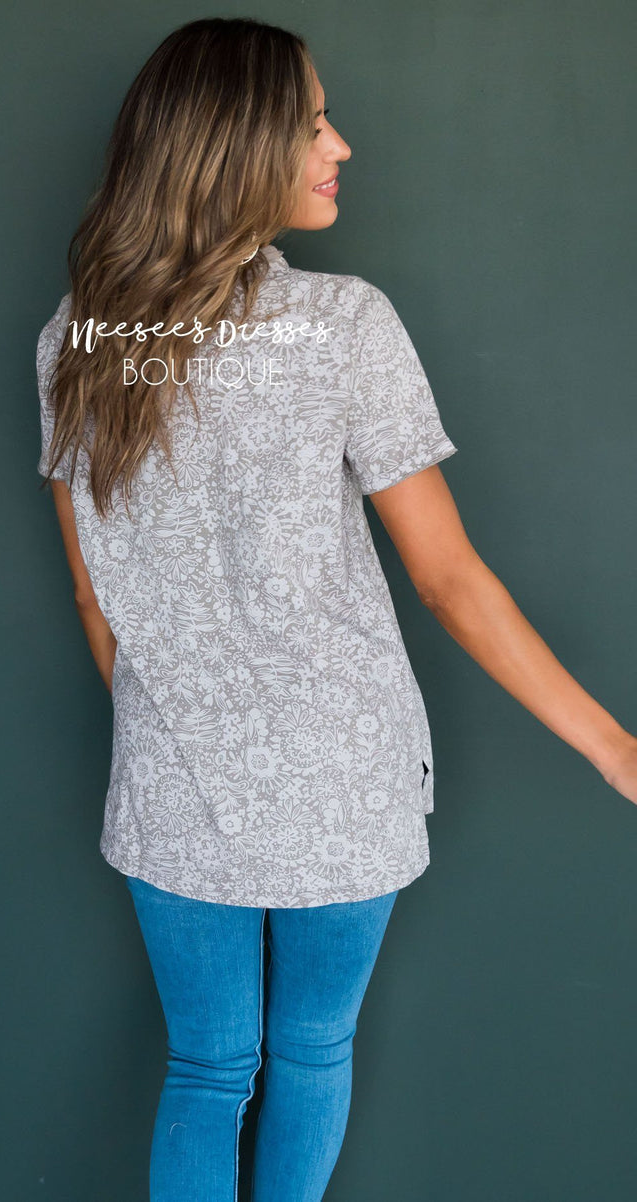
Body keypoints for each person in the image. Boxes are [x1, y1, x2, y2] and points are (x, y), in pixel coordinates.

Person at [35, 17, 637, 1201]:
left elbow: (92, 591)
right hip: (342, 764)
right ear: (237, 144)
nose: (339, 145)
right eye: (311, 122)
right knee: (311, 1050)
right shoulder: (343, 323)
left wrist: (178, 722)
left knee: (207, 1066)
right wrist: (614, 745)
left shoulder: (77, 341)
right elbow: (446, 578)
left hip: (173, 768)